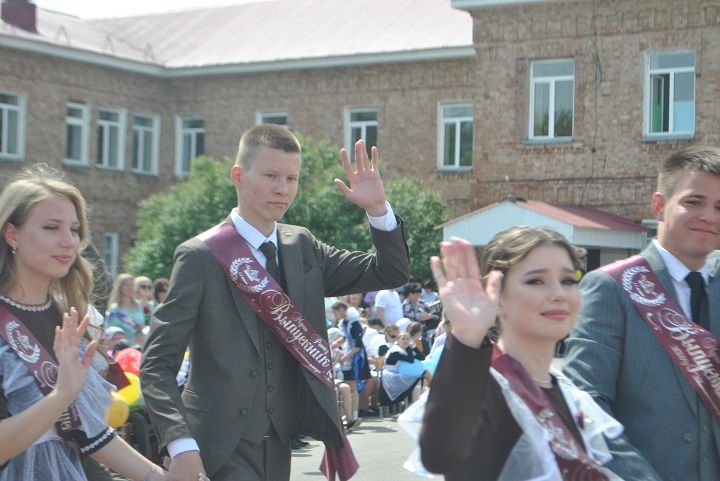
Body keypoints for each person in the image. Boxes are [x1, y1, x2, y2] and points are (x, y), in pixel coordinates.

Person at [141, 124, 410, 481]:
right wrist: (179, 444)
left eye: (292, 178)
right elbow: (157, 363)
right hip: (214, 446)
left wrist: (378, 210)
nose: (283, 189)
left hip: (279, 444)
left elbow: (389, 271)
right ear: (238, 175)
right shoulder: (201, 256)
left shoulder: (303, 247)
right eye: (271, 175)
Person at [563, 146, 720, 481]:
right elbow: (586, 404)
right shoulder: (613, 287)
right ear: (660, 206)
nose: (710, 216)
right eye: (694, 202)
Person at [0, 168, 166, 481]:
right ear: (13, 234)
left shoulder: (70, 316)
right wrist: (60, 396)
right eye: (51, 227)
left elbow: (88, 433)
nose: (68, 241)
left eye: (75, 229)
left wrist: (163, 477)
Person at [420, 229, 625, 481]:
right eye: (536, 281)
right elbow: (440, 455)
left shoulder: (567, 391)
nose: (558, 293)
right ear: (498, 299)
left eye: (568, 280)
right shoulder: (485, 385)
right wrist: (466, 336)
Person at [105, 274, 145, 340]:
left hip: (138, 345)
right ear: (120, 287)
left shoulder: (139, 306)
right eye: (126, 285)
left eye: (132, 285)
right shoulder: (114, 309)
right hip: (120, 345)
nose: (130, 287)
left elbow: (142, 327)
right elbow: (111, 330)